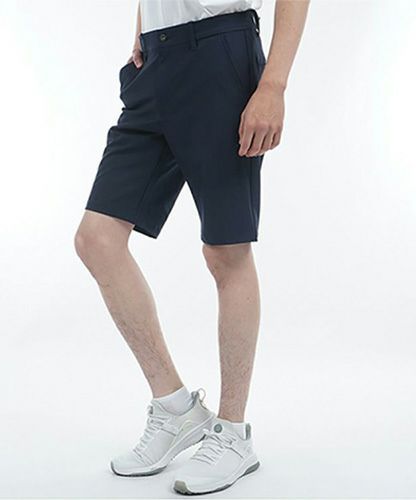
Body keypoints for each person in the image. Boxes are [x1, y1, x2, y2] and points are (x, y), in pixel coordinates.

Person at [74, 0, 309, 494]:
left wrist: (273, 85)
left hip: (219, 53)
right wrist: (143, 27)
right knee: (96, 239)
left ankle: (233, 434)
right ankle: (175, 408)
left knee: (226, 251)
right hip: (155, 62)